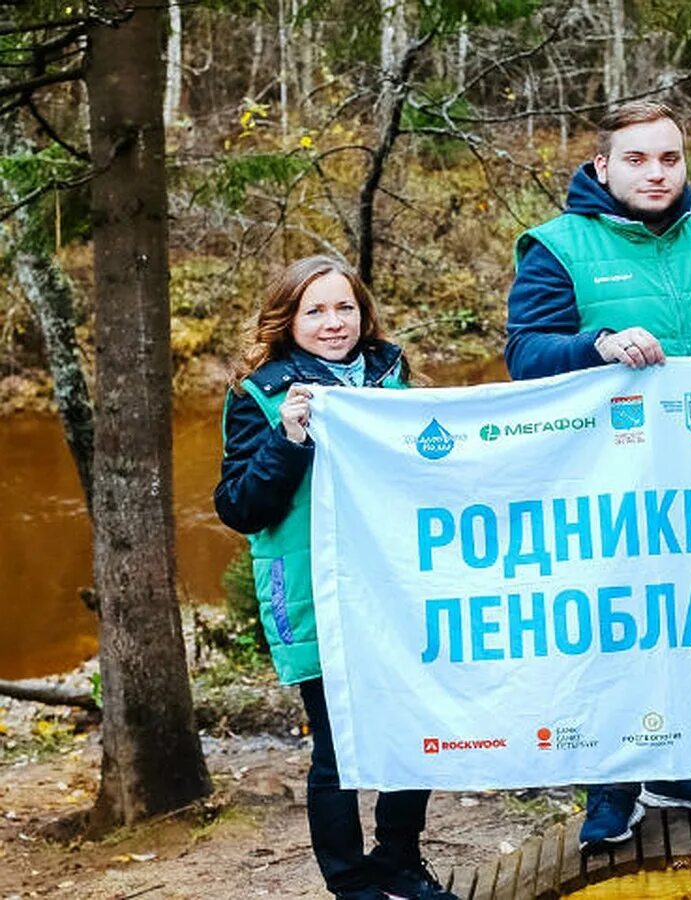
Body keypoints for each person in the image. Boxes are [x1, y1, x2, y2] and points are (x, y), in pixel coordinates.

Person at [505, 100, 691, 851]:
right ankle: (611, 784)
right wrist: (598, 344)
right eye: (637, 159)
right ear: (603, 166)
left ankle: (685, 765)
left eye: (669, 158)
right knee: (619, 627)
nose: (656, 172)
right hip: (608, 475)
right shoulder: (556, 245)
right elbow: (525, 354)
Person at [214, 256, 458, 900]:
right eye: (314, 310)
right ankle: (351, 884)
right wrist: (289, 439)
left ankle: (400, 862)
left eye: (343, 307)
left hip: (398, 586)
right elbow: (239, 507)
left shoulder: (391, 376)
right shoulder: (259, 396)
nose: (332, 323)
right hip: (315, 591)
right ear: (288, 318)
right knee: (338, 746)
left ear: (363, 311)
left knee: (411, 728)